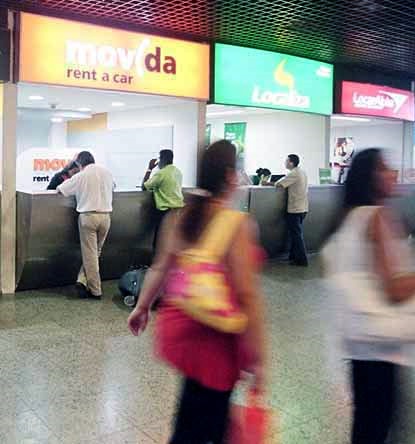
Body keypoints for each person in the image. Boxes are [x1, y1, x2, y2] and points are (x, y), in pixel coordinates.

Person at [322, 148, 415, 444]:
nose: (393, 173)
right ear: (370, 177)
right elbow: (396, 291)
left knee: (366, 427)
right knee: (378, 428)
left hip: (358, 345)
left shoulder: (347, 218)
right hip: (382, 348)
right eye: (385, 168)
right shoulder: (377, 218)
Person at [128, 140, 267, 444]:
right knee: (209, 418)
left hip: (188, 332)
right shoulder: (236, 224)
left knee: (194, 412)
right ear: (230, 175)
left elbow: (160, 267)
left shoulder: (183, 215)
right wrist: (258, 357)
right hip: (218, 339)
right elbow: (248, 296)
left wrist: (142, 306)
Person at [57, 151, 114, 300]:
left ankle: (96, 291)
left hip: (88, 217)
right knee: (95, 252)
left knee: (90, 255)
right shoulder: (107, 173)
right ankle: (82, 280)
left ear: (80, 164)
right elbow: (113, 187)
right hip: (106, 217)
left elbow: (62, 189)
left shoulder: (81, 175)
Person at [264, 154, 309, 266]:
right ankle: (294, 258)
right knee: (295, 235)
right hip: (302, 208)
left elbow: (279, 184)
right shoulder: (302, 172)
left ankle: (302, 260)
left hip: (295, 209)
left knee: (296, 235)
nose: (285, 162)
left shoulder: (294, 173)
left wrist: (266, 183)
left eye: (286, 161)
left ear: (291, 162)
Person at [142, 149, 184, 250]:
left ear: (163, 159)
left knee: (159, 244)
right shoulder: (178, 172)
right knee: (172, 241)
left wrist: (149, 169)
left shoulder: (162, 173)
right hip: (177, 212)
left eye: (159, 159)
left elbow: (144, 186)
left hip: (165, 213)